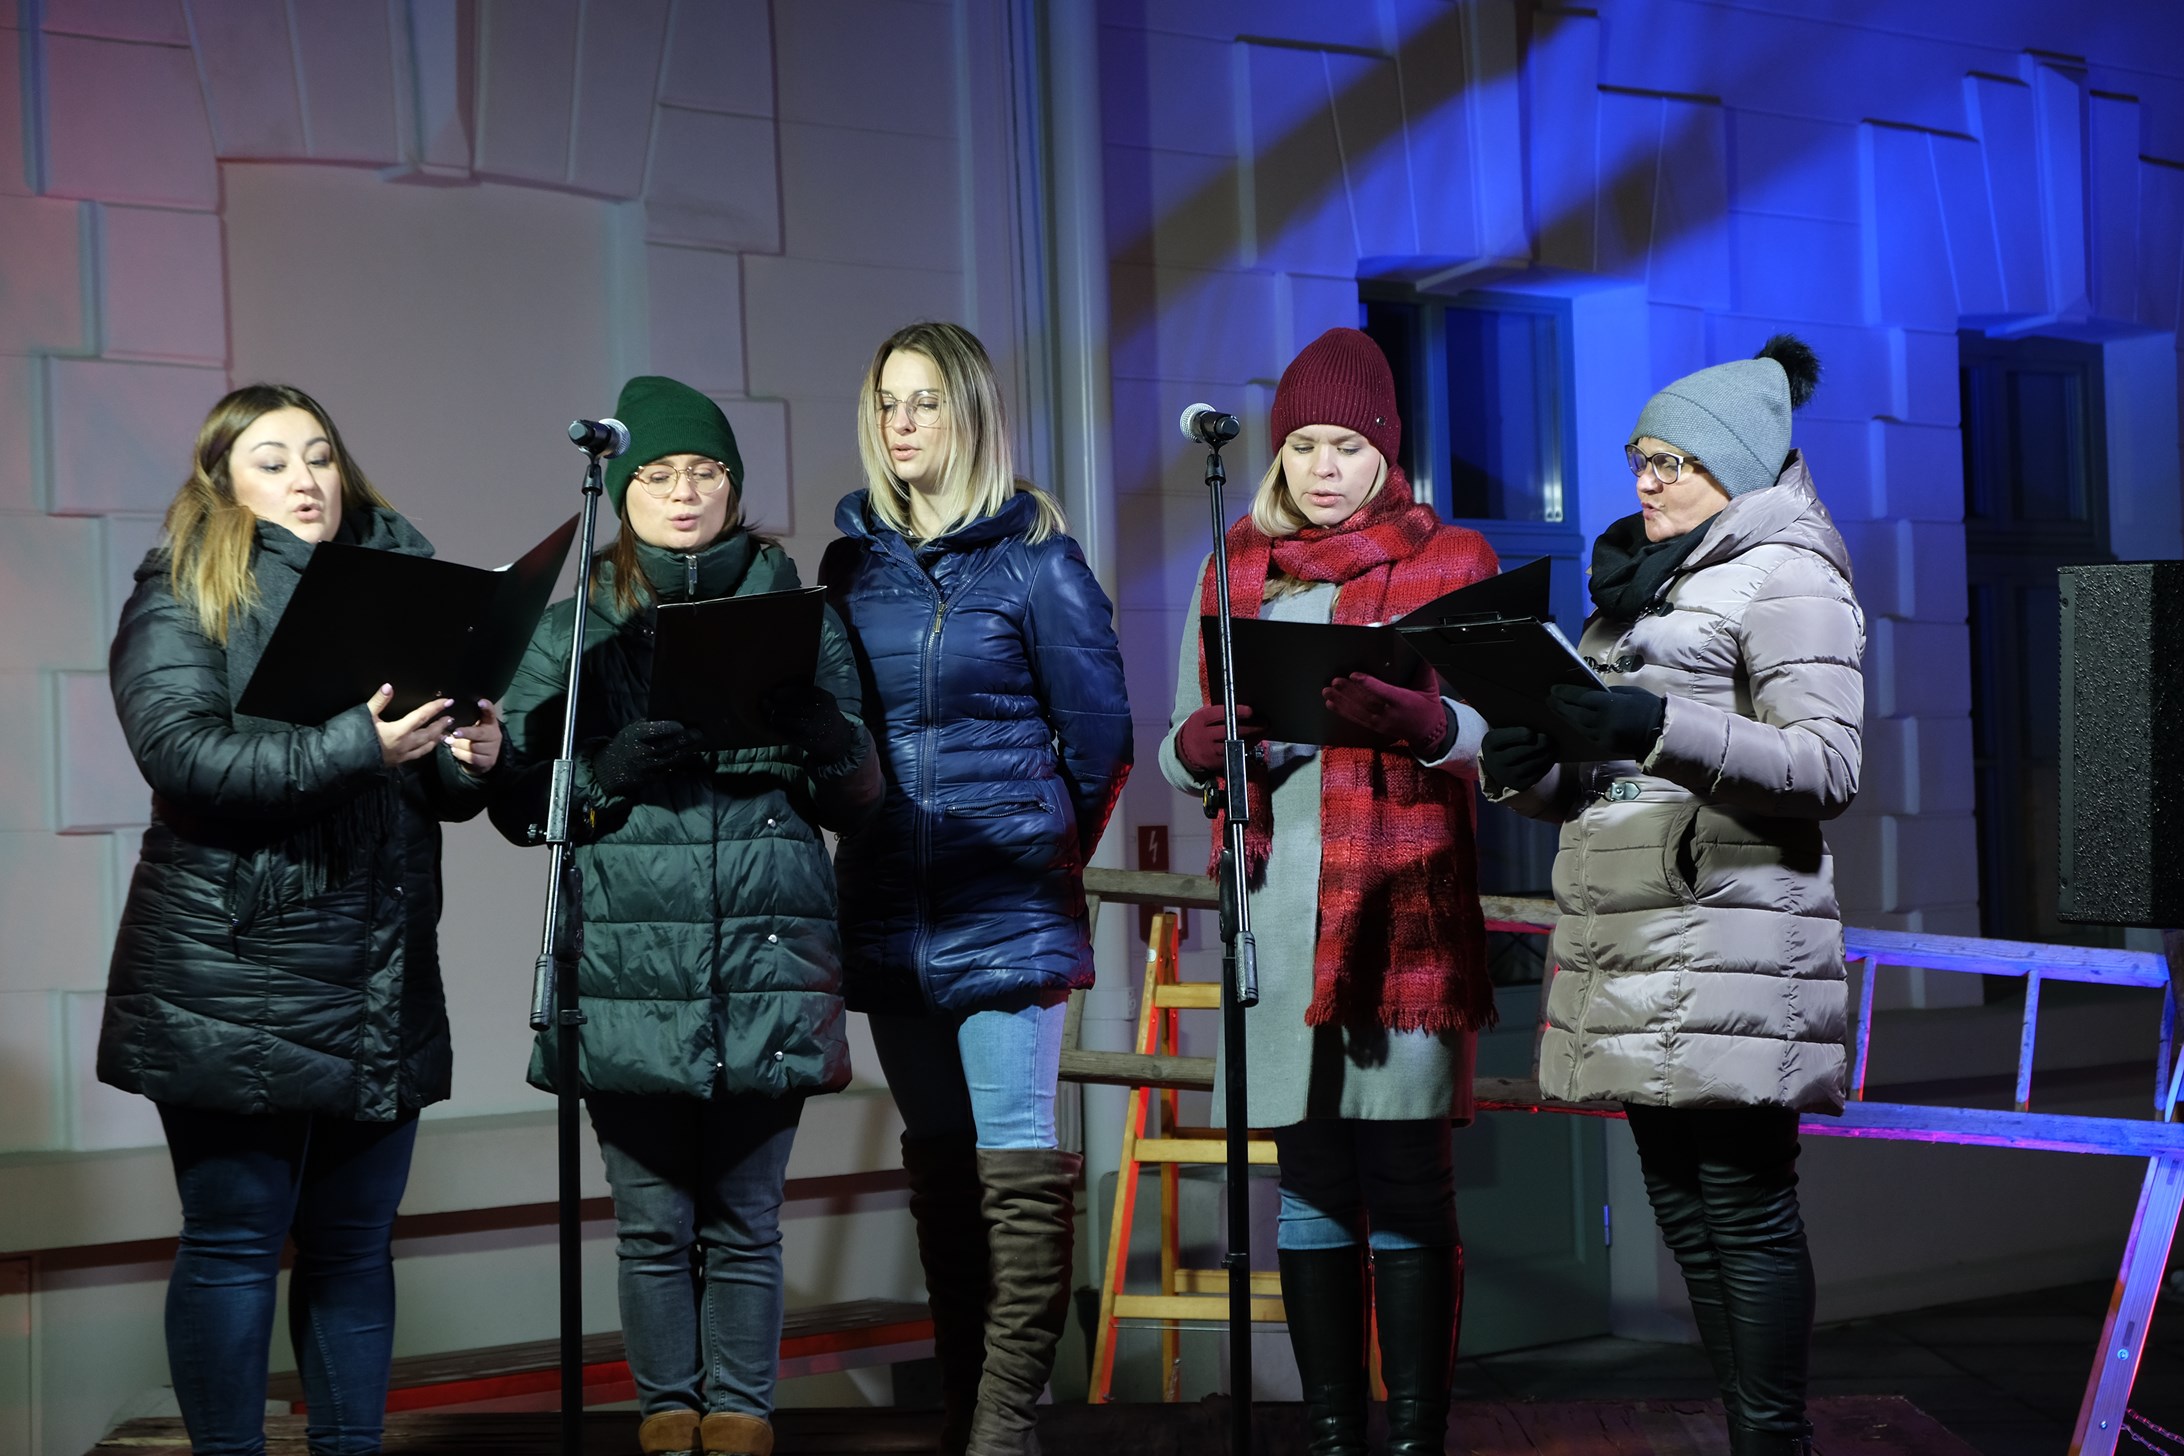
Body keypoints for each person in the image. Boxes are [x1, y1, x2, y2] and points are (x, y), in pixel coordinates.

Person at [99, 383, 501, 1456]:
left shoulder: (407, 585)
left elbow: (424, 781)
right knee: (234, 1246)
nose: (306, 479)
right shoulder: (185, 590)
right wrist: (357, 745)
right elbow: (184, 758)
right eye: (273, 461)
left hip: (380, 970)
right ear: (223, 483)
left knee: (355, 1250)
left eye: (319, 455)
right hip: (235, 970)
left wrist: (468, 760)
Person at [1481, 337, 1861, 1456]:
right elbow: (1610, 783)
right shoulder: (1642, 587)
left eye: (1671, 462)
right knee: (1686, 1211)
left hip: (1731, 930)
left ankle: (1774, 1442)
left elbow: (1827, 767)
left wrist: (1653, 722)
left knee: (1744, 1208)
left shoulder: (1791, 573)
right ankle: (1755, 1436)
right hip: (1634, 936)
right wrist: (1529, 766)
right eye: (1639, 459)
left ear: (1733, 465)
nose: (1645, 482)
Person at [489, 376, 881, 1456]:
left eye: (705, 472)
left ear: (735, 488)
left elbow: (860, 799)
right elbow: (516, 804)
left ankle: (743, 1414)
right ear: (621, 491)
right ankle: (667, 1412)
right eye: (658, 474)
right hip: (628, 967)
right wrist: (600, 773)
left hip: (768, 956)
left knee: (748, 1222)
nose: (683, 492)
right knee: (652, 1224)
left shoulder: (804, 615)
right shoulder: (576, 627)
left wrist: (829, 739)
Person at [1157, 327, 1500, 1456]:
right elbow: (1181, 738)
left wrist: (1430, 722)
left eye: (1346, 446)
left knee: (1405, 1177)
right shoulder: (1235, 565)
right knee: (1305, 1180)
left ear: (1386, 451)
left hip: (1399, 908)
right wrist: (1196, 747)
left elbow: (1507, 737)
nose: (1322, 467)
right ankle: (1335, 1437)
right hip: (1275, 911)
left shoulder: (1453, 559)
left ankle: (1414, 1439)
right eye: (1303, 444)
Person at [819, 321, 1131, 1456]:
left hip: (1006, 906)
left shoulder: (1039, 560)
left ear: (972, 413)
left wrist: (1034, 854)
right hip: (891, 908)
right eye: (888, 402)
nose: (902, 424)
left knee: (1016, 1170)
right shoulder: (850, 566)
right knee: (945, 1176)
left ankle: (1006, 1428)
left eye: (925, 401)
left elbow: (1101, 743)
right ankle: (965, 1412)